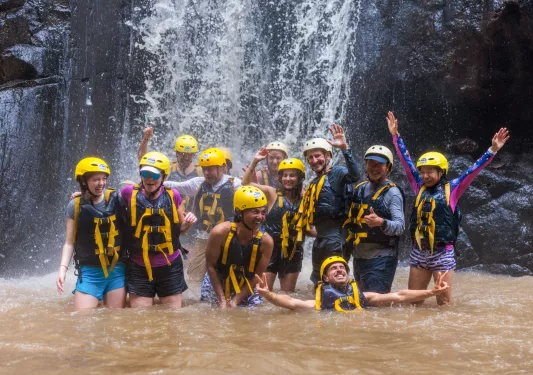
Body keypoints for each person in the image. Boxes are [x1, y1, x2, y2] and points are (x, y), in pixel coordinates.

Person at [386, 111, 510, 305]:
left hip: (443, 254)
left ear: (441, 172)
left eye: (430, 172)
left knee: (443, 303)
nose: (425, 176)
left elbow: (473, 170)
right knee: (413, 302)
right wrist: (395, 136)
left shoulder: (452, 189)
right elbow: (406, 160)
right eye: (423, 172)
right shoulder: (418, 186)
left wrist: (492, 151)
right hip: (419, 251)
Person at [121, 152, 197, 308]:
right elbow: (107, 203)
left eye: (154, 175)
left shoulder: (173, 195)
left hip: (169, 265)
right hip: (139, 265)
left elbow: (180, 230)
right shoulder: (129, 193)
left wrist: (188, 223)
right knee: (139, 319)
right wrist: (83, 196)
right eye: (145, 174)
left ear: (163, 176)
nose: (149, 179)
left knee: (171, 318)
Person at [293, 124, 361, 284]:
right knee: (318, 280)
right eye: (310, 158)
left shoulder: (336, 173)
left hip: (336, 238)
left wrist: (345, 149)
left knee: (335, 280)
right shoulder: (314, 182)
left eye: (317, 156)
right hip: (320, 239)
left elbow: (355, 175)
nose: (314, 160)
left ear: (328, 155)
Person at [56, 157, 127, 311]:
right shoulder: (74, 206)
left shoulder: (118, 199)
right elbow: (69, 242)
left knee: (116, 322)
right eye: (96, 180)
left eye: (104, 179)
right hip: (90, 272)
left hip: (116, 269)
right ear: (83, 182)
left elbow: (142, 195)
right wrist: (62, 269)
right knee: (83, 321)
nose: (101, 183)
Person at [256, 256, 449, 311]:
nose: (340, 270)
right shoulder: (319, 302)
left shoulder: (365, 297)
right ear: (325, 279)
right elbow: (291, 302)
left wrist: (431, 292)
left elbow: (399, 296)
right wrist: (268, 295)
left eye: (343, 268)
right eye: (334, 269)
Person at [163, 148, 242, 282]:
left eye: (210, 169)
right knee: (194, 274)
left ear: (222, 168)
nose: (206, 173)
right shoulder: (198, 183)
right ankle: (197, 301)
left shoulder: (235, 184)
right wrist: (143, 184)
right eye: (204, 169)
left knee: (227, 273)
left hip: (229, 237)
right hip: (204, 237)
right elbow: (174, 185)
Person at [343, 145, 405, 293]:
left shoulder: (393, 193)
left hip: (382, 257)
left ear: (388, 167)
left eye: (379, 164)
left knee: (376, 303)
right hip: (359, 256)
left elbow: (400, 226)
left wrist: (381, 222)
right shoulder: (360, 189)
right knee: (361, 301)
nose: (374, 167)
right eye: (371, 163)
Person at [201, 186, 274, 307]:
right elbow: (210, 266)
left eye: (263, 212)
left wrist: (236, 300)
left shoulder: (266, 242)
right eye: (255, 212)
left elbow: (257, 275)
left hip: (247, 282)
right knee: (209, 309)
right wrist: (222, 299)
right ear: (240, 213)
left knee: (255, 313)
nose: (260, 217)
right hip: (218, 279)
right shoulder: (220, 233)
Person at [243, 151, 305, 291]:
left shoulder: (305, 197)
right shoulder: (272, 193)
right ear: (280, 177)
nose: (288, 179)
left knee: (287, 296)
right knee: (263, 294)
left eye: (292, 175)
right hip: (269, 250)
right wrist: (254, 162)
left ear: (300, 178)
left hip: (293, 250)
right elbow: (246, 183)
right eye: (285, 175)